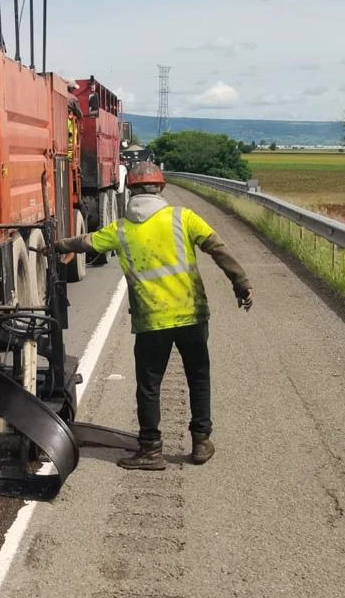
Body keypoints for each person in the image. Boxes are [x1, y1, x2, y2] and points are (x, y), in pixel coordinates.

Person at [53, 162, 253, 470]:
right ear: (160, 188)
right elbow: (219, 248)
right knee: (198, 377)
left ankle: (151, 450)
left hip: (151, 321)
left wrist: (53, 246)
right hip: (191, 315)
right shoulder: (182, 217)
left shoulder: (121, 229)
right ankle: (201, 442)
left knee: (149, 385)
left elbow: (85, 242)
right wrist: (241, 284)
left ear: (130, 190)